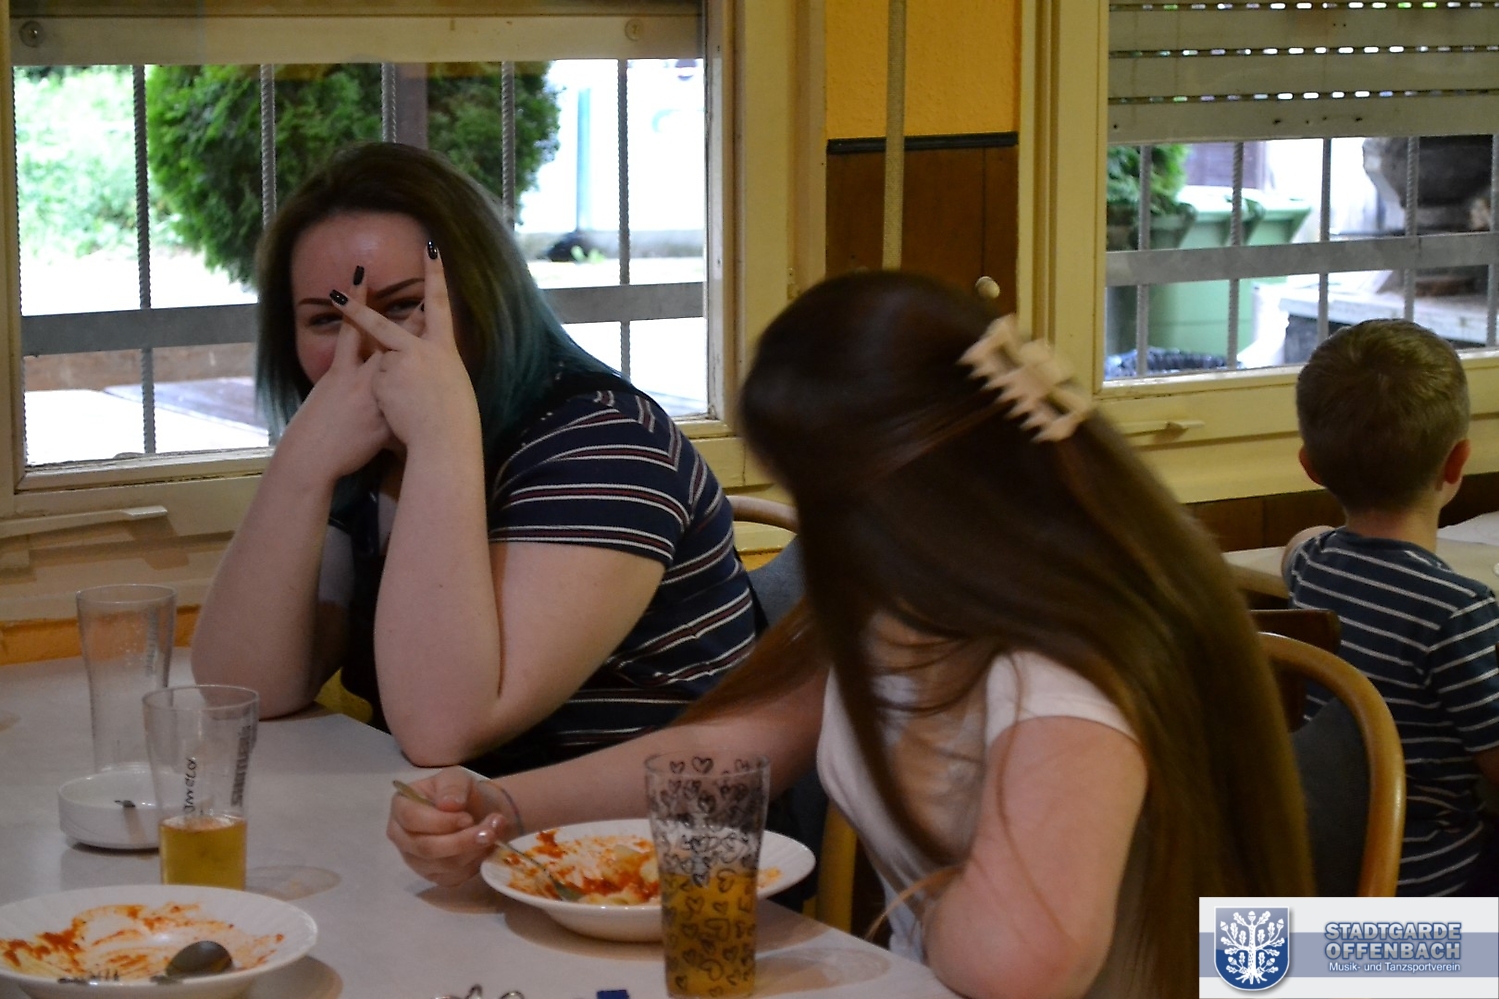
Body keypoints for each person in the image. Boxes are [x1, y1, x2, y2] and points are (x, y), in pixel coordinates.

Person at [387, 272, 1315, 999]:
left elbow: (1020, 962)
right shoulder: (920, 594)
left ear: (893, 488)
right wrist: (502, 806)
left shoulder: (1060, 664)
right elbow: (736, 748)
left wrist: (911, 871)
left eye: (816, 492)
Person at [192, 143, 757, 775]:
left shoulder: (606, 443)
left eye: (403, 306)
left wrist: (441, 438)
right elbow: (241, 690)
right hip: (444, 819)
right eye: (328, 318)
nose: (368, 343)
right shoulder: (367, 454)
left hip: (641, 830)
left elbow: (443, 730)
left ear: (482, 298)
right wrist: (300, 465)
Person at [1281, 318, 1499, 896]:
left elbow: (1300, 542)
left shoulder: (1312, 568)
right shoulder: (1457, 611)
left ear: (1311, 467)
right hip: (1428, 894)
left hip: (1318, 877)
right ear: (1457, 463)